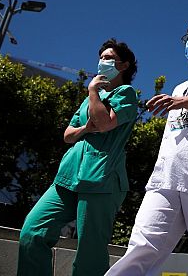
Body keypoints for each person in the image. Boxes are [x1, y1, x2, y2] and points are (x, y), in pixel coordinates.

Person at [105, 20, 188, 276]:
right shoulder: (180, 87)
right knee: (142, 245)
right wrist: (178, 100)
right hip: (168, 175)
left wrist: (179, 102)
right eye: (187, 37)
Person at [17, 39, 139, 276]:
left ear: (123, 65)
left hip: (101, 179)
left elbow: (104, 123)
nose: (101, 62)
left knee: (89, 252)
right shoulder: (89, 101)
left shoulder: (126, 93)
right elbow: (68, 135)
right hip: (68, 176)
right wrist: (85, 129)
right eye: (101, 57)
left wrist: (93, 91)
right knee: (32, 232)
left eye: (108, 58)